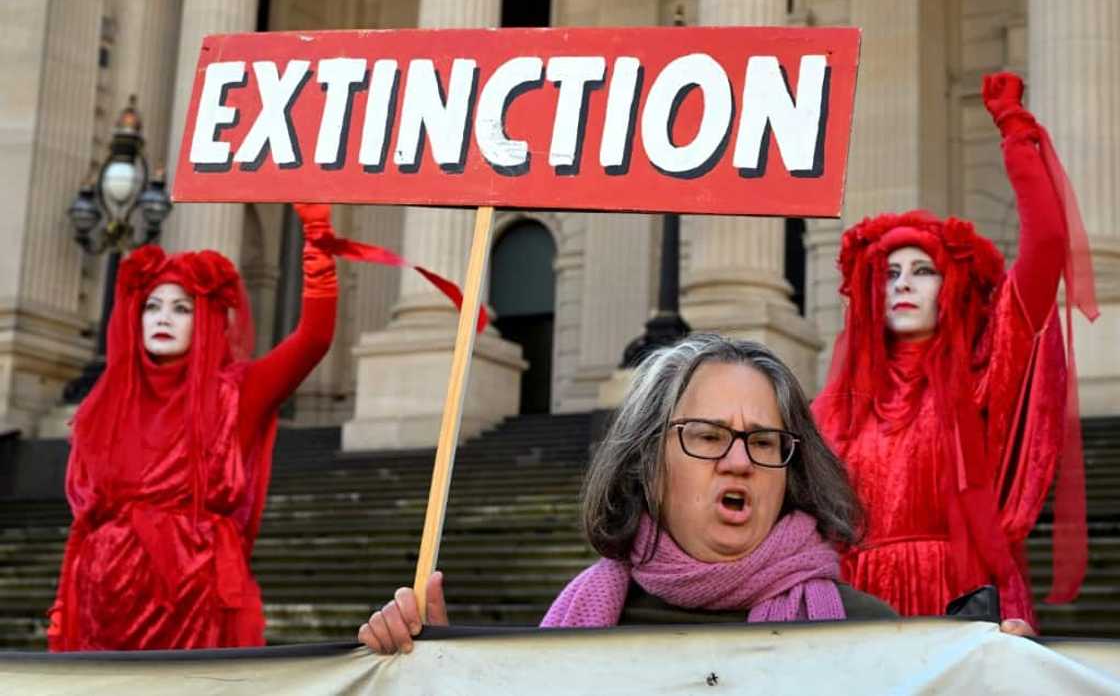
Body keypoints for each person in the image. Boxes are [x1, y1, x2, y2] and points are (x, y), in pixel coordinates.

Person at [360, 334, 897, 655]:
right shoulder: (578, 627)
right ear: (646, 463)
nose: (739, 462)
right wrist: (439, 673)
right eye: (708, 436)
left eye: (763, 442)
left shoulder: (869, 635)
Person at [812, 72, 1097, 631]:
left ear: (953, 288)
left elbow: (1046, 246)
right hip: (858, 605)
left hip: (959, 596)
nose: (902, 284)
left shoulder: (982, 374)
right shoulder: (839, 407)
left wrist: (1015, 132)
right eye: (889, 273)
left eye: (922, 271)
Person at [47, 203, 338, 651]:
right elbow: (83, 525)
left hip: (193, 601)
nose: (163, 317)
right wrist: (63, 614)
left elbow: (313, 339)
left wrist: (317, 239)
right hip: (102, 602)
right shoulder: (102, 406)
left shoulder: (237, 394)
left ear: (206, 319)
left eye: (182, 308)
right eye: (152, 306)